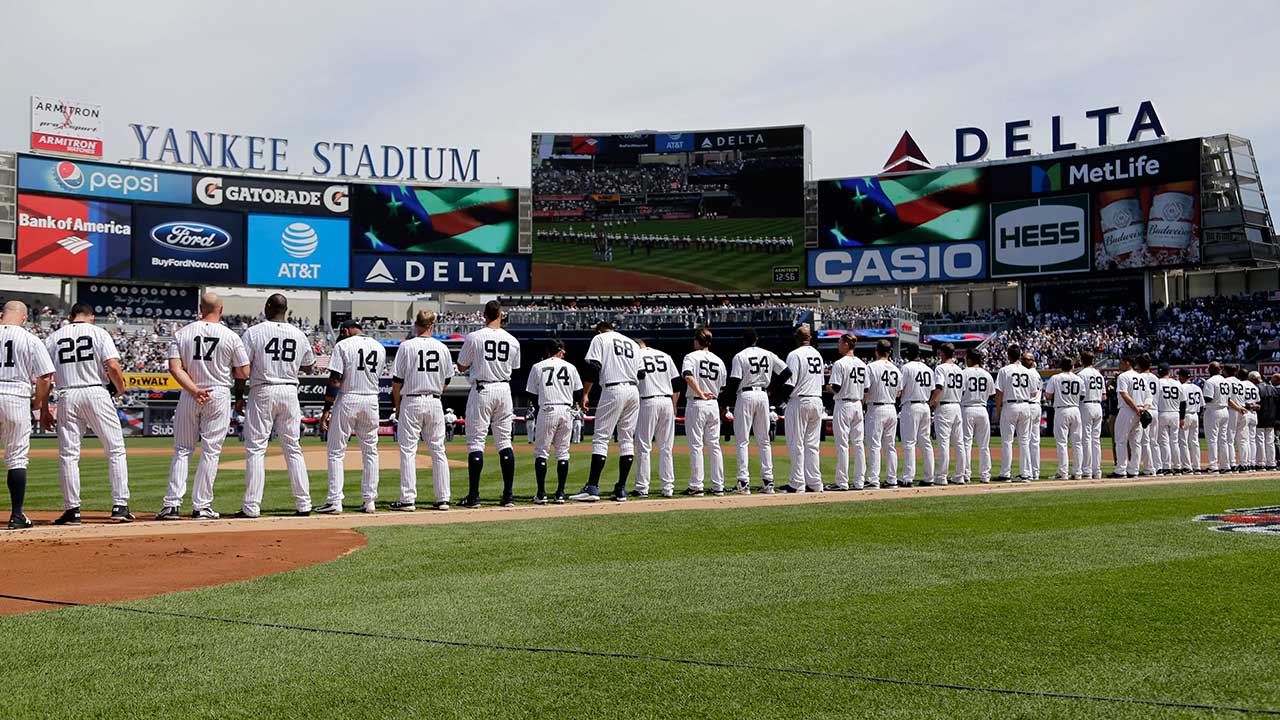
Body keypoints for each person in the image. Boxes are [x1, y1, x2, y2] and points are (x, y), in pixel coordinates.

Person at [157, 292, 250, 521]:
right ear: (221, 309)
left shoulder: (183, 333)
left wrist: (194, 390)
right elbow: (244, 371)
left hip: (191, 393)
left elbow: (174, 367)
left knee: (182, 449)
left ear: (200, 308)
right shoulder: (230, 336)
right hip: (218, 392)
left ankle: (172, 504)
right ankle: (201, 506)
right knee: (211, 451)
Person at [44, 303, 132, 524]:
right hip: (95, 391)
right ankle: (120, 506)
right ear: (91, 316)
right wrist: (120, 388)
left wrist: (44, 407)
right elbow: (112, 365)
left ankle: (72, 510)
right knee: (115, 450)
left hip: (67, 394)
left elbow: (44, 375)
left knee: (69, 455)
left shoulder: (54, 338)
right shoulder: (98, 332)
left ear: (70, 316)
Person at [237, 294, 315, 518]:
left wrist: (239, 396)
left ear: (268, 307)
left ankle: (251, 506)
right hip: (289, 390)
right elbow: (309, 366)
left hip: (263, 389)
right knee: (293, 448)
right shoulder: (298, 334)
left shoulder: (254, 331)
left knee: (256, 448)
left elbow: (242, 369)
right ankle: (304, 504)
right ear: (287, 309)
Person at [316, 321, 386, 514]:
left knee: (336, 451)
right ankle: (369, 500)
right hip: (371, 399)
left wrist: (326, 408)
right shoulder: (379, 347)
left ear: (345, 331)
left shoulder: (343, 345)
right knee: (370, 450)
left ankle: (335, 501)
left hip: (349, 396)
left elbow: (335, 380)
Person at [457, 300, 521, 507]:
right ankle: (508, 495)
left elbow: (461, 366)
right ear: (501, 315)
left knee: (476, 442)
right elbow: (515, 366)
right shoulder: (512, 340)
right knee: (504, 442)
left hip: (483, 388)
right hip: (504, 389)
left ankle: (474, 496)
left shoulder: (474, 337)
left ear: (484, 315)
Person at [571, 321, 641, 502]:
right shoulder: (632, 343)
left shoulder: (600, 338)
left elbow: (593, 367)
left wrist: (585, 393)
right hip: (634, 390)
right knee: (626, 439)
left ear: (599, 330)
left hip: (613, 388)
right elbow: (641, 373)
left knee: (601, 437)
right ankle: (621, 489)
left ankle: (592, 487)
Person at [391, 311, 454, 511]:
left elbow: (397, 381)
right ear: (432, 325)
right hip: (434, 400)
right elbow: (448, 379)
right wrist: (433, 390)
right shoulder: (442, 348)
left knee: (408, 451)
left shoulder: (406, 346)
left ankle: (408, 499)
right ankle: (443, 498)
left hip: (412, 399)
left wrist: (398, 406)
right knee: (438, 450)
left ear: (416, 325)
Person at [0, 301, 54, 529]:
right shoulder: (31, 339)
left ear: (2, 315)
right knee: (17, 457)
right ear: (24, 318)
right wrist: (38, 402)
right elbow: (44, 377)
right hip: (15, 395)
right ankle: (17, 515)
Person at [726, 327, 787, 494]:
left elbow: (734, 381)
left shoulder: (740, 356)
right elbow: (786, 372)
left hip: (745, 395)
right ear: (757, 339)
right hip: (762, 395)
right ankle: (769, 482)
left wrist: (725, 402)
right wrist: (771, 390)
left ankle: (743, 482)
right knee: (764, 440)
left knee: (742, 440)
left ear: (743, 340)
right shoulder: (768, 353)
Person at [525, 339, 583, 504]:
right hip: (566, 409)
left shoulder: (538, 366)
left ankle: (541, 493)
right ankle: (560, 493)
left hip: (547, 408)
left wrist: (539, 410)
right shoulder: (570, 367)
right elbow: (578, 392)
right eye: (563, 350)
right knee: (563, 453)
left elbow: (532, 394)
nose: (564, 353)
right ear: (558, 350)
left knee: (541, 452)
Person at [777, 324, 824, 493]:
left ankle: (797, 482)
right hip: (817, 399)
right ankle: (815, 482)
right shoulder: (817, 355)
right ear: (809, 338)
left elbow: (790, 381)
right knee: (812, 444)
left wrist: (780, 400)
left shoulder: (794, 354)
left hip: (800, 400)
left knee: (796, 443)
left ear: (797, 339)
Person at [681, 327, 728, 496]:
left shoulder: (691, 357)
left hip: (698, 403)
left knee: (696, 445)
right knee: (714, 445)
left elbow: (687, 375)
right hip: (713, 404)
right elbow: (722, 388)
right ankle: (718, 485)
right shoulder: (719, 360)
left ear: (697, 341)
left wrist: (700, 392)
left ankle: (696, 485)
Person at [634, 338, 680, 498]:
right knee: (666, 448)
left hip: (648, 400)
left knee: (644, 447)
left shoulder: (635, 355)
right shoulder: (665, 355)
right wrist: (674, 404)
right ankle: (668, 488)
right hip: (667, 400)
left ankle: (642, 488)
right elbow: (677, 383)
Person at [826, 333, 868, 490]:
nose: (838, 345)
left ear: (845, 344)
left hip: (844, 404)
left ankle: (842, 482)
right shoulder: (862, 364)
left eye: (839, 342)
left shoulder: (840, 364)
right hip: (858, 404)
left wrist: (824, 387)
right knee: (858, 444)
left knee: (842, 444)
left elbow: (835, 388)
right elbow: (867, 389)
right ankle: (859, 481)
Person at [994, 345, 1035, 483]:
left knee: (1007, 441)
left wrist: (998, 411)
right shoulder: (1028, 371)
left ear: (1008, 356)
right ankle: (1025, 473)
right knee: (1024, 441)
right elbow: (1033, 392)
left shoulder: (1004, 370)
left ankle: (1006, 473)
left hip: (1010, 405)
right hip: (1025, 404)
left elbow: (998, 392)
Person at [897, 344, 935, 487]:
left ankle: (908, 477)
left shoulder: (906, 368)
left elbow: (899, 389)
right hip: (925, 405)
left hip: (911, 405)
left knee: (909, 443)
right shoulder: (928, 369)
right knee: (925, 442)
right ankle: (929, 476)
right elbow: (932, 389)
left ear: (908, 353)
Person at [864, 339, 900, 488]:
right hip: (891, 407)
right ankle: (892, 479)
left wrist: (863, 404)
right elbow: (899, 392)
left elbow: (866, 389)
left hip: (876, 407)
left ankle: (873, 479)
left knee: (874, 445)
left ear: (876, 351)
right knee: (890, 446)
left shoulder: (871, 367)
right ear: (890, 352)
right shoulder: (896, 369)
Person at [1043, 357, 1084, 480]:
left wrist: (1058, 395)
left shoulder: (1055, 378)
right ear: (1072, 366)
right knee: (1077, 443)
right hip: (1075, 409)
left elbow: (1048, 395)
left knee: (1062, 443)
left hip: (1062, 409)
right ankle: (1078, 472)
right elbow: (1082, 395)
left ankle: (1063, 472)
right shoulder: (1078, 378)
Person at [958, 349, 994, 484]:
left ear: (970, 359)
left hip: (967, 408)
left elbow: (959, 391)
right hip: (982, 409)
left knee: (967, 443)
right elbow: (991, 393)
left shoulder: (964, 373)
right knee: (984, 445)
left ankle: (966, 473)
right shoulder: (987, 374)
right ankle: (985, 475)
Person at [931, 343, 963, 485]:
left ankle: (942, 476)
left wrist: (932, 401)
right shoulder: (959, 369)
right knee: (958, 443)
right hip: (957, 406)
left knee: (943, 442)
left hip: (944, 407)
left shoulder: (940, 368)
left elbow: (939, 387)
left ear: (942, 353)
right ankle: (960, 475)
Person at [1076, 351, 1105, 480]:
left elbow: (1079, 394)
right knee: (1096, 440)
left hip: (1086, 405)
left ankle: (1087, 470)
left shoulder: (1081, 374)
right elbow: (1104, 396)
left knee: (1086, 438)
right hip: (1098, 405)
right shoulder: (1099, 374)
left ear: (1082, 360)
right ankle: (1097, 470)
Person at [1154, 364, 1185, 476]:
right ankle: (1177, 467)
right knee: (1175, 442)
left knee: (1164, 442)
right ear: (1169, 372)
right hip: (1175, 413)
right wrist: (1182, 417)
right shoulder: (1177, 383)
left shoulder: (1158, 382)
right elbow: (1183, 402)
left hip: (1162, 412)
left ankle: (1166, 467)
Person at [1202, 362, 1230, 473]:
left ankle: (1213, 466)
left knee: (1212, 439)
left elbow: (1208, 398)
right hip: (1225, 410)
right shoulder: (1225, 381)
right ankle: (1226, 466)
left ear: (1212, 370)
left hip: (1214, 410)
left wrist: (1202, 390)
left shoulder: (1210, 381)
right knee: (1223, 440)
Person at [1135, 355, 1160, 477]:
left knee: (1145, 441)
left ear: (1139, 365)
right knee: (1154, 441)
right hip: (1155, 409)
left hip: (1146, 409)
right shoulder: (1156, 378)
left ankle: (1149, 468)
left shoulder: (1139, 377)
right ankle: (1158, 466)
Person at [1023, 352, 1045, 481]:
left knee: (1027, 440)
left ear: (1032, 360)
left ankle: (1028, 471)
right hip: (1036, 405)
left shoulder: (1029, 373)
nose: (1023, 361)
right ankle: (1035, 471)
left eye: (1026, 359)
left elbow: (1031, 392)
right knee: (1035, 441)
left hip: (1030, 405)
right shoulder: (1036, 373)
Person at [1179, 369, 1204, 474]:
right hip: (1195, 415)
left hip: (1186, 415)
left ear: (1182, 376)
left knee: (1183, 442)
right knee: (1195, 442)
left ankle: (1187, 467)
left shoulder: (1182, 387)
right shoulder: (1197, 388)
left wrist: (1182, 417)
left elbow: (1182, 404)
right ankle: (1197, 466)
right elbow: (1202, 406)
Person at [1223, 364, 1246, 471]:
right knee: (1243, 440)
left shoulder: (1226, 381)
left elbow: (1227, 399)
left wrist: (1237, 408)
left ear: (1225, 371)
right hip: (1243, 410)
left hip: (1233, 410)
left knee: (1229, 439)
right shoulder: (1240, 382)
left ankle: (1232, 463)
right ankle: (1245, 463)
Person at [1241, 370, 1261, 471]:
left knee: (1245, 439)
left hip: (1245, 412)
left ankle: (1246, 463)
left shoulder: (1241, 384)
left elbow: (1240, 401)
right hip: (1254, 414)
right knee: (1252, 440)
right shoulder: (1255, 387)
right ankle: (1252, 463)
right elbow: (1257, 402)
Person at [1257, 372, 1278, 471]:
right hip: (1272, 418)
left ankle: (1261, 463)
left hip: (1261, 417)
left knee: (1260, 441)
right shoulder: (1273, 388)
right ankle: (1271, 463)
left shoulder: (1257, 388)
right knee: (1270, 442)